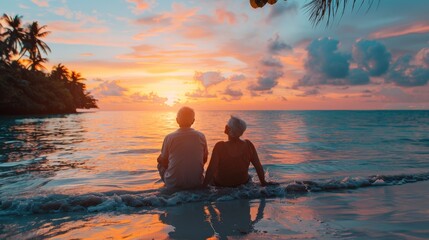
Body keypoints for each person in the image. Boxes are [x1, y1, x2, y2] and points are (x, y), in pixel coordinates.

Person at [203, 116, 272, 187]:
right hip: (243, 184)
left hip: (221, 185)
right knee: (249, 176)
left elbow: (211, 170)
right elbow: (258, 167)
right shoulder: (248, 145)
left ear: (228, 128)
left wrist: (203, 186)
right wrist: (263, 182)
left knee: (211, 177)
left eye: (227, 125)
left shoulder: (220, 146)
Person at [157, 106, 208, 190]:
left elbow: (163, 160)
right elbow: (204, 159)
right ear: (193, 121)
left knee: (160, 160)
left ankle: (173, 179)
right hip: (196, 182)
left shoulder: (170, 137)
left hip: (174, 184)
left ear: (177, 120)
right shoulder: (201, 136)